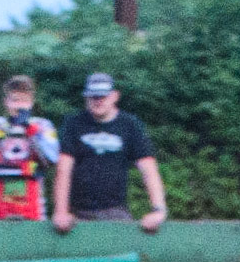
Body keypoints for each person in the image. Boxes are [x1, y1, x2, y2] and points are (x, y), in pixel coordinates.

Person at [52, 73, 166, 234]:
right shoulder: (74, 123)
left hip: (116, 211)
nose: (98, 100)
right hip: (77, 214)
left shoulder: (130, 125)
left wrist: (158, 210)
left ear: (114, 96)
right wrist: (61, 211)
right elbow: (63, 169)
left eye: (102, 96)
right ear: (86, 98)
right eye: (93, 96)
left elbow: (148, 168)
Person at [0, 75, 60, 222]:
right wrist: (25, 169)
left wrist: (32, 133)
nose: (19, 106)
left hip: (32, 203)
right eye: (15, 100)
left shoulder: (43, 125)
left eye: (24, 101)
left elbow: (53, 158)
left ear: (31, 103)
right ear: (6, 102)